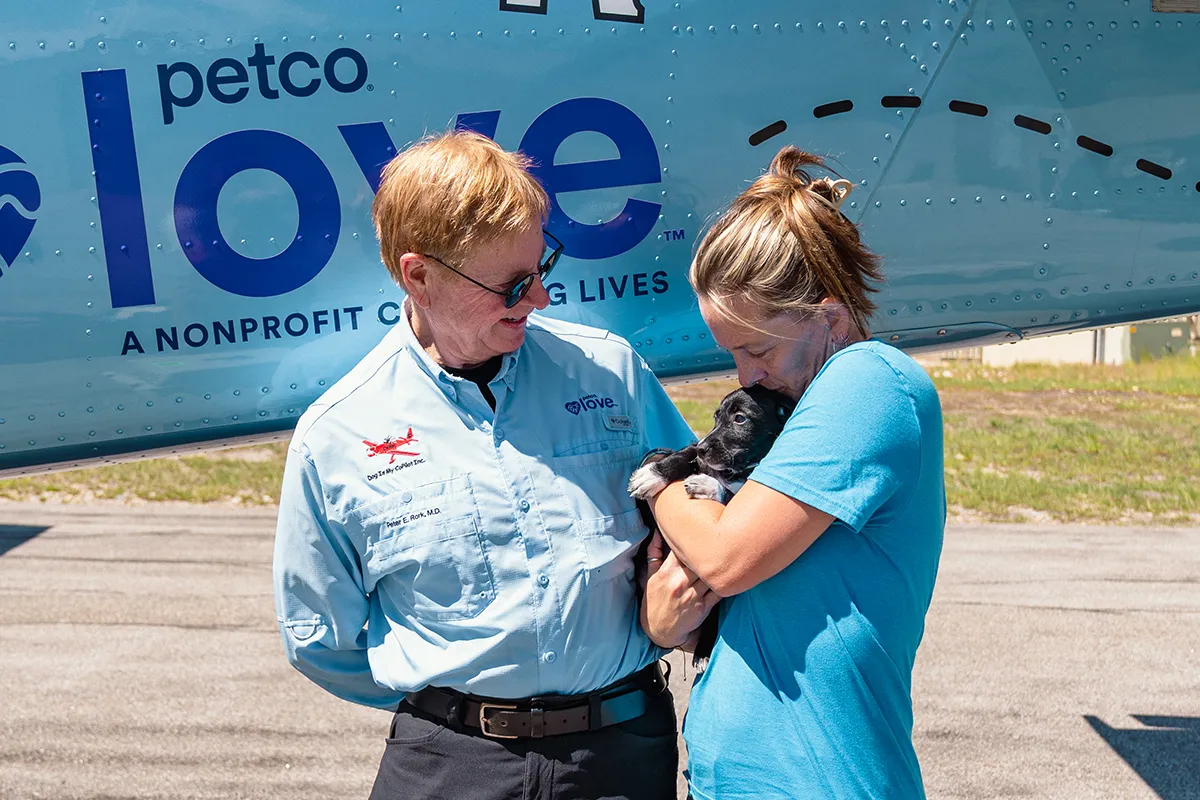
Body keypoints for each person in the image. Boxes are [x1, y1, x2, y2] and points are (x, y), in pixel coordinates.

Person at [271, 129, 695, 800]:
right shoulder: (336, 434)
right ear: (419, 275)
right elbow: (317, 638)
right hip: (451, 767)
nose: (539, 300)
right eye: (511, 284)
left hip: (620, 756)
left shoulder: (610, 373)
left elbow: (701, 524)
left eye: (541, 269)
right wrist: (456, 709)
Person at [640, 146, 946, 799]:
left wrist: (658, 482)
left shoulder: (871, 382)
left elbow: (725, 556)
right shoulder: (799, 417)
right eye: (734, 354)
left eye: (758, 349)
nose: (746, 377)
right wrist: (667, 621)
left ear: (829, 320)